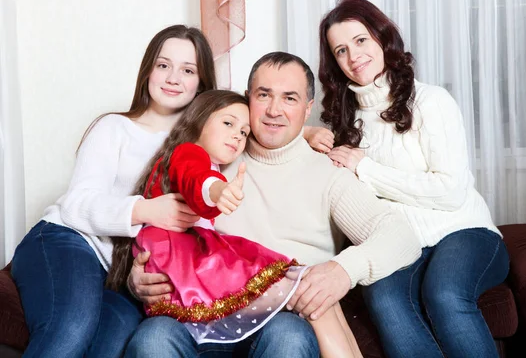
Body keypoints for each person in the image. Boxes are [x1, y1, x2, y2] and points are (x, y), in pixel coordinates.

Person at [124, 51, 423, 358]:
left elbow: (401, 237)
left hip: (281, 319)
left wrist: (342, 271)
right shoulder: (218, 154)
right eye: (264, 95)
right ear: (247, 99)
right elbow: (173, 204)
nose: (273, 110)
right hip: (197, 314)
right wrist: (138, 280)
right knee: (153, 337)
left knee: (287, 336)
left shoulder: (328, 175)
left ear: (307, 110)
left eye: (289, 99)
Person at [312, 0, 510, 358]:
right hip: (400, 244)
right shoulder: (342, 124)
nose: (353, 56)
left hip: (463, 230)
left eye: (360, 41)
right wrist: (310, 137)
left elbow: (450, 192)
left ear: (381, 38)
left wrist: (365, 168)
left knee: (444, 293)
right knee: (384, 297)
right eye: (340, 50)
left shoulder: (431, 101)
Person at [10, 24, 217, 357]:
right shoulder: (115, 127)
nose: (173, 77)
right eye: (163, 65)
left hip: (119, 278)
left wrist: (307, 137)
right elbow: (76, 205)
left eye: (188, 70)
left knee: (111, 343)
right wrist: (146, 210)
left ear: (201, 84)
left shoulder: (205, 154)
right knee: (70, 329)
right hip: (69, 241)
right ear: (148, 71)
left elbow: (254, 126)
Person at [109, 90, 361, 357]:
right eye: (228, 124)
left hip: (188, 264)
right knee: (306, 290)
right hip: (188, 263)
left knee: (317, 295)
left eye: (244, 132)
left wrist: (306, 133)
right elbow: (196, 179)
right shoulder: (188, 153)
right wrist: (217, 191)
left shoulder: (205, 155)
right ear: (199, 119)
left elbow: (266, 123)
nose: (237, 136)